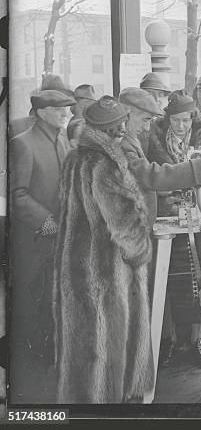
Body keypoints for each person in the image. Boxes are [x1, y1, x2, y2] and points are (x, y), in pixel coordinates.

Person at [54, 95, 201, 403]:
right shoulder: (107, 162)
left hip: (78, 262)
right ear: (116, 127)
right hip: (104, 267)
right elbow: (122, 223)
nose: (131, 130)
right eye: (127, 124)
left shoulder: (75, 158)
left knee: (84, 341)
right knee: (107, 344)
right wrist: (141, 253)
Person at [10, 89, 76, 390]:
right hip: (36, 240)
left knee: (55, 295)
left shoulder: (62, 140)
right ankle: (34, 363)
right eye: (59, 108)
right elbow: (17, 196)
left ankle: (51, 351)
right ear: (40, 112)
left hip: (60, 237)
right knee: (34, 298)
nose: (66, 113)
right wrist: (46, 221)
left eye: (67, 108)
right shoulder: (22, 144)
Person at [146, 92, 201, 368]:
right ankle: (170, 341)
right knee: (171, 280)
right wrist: (168, 200)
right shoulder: (155, 144)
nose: (180, 126)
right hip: (171, 219)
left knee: (200, 279)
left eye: (185, 119)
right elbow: (155, 179)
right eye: (175, 120)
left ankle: (196, 340)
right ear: (168, 119)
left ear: (193, 118)